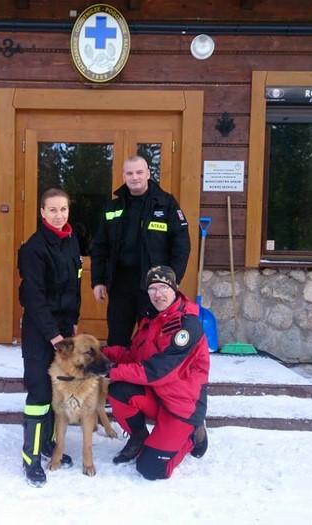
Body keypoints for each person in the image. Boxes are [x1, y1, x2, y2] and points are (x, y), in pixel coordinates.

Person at [104, 265, 210, 480]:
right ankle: (139, 436)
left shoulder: (187, 326)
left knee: (151, 469)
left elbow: (157, 372)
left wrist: (110, 370)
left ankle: (192, 436)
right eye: (152, 288)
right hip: (158, 397)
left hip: (182, 407)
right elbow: (134, 356)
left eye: (163, 287)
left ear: (175, 288)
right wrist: (99, 353)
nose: (157, 294)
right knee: (119, 390)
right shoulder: (151, 320)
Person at [17, 188, 82, 487]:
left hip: (64, 331)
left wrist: (73, 325)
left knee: (58, 392)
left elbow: (74, 290)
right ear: (42, 212)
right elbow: (33, 297)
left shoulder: (71, 241)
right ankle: (31, 457)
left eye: (63, 209)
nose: (59, 215)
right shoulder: (33, 248)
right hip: (39, 332)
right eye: (52, 210)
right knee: (40, 392)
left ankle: (48, 445)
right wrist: (53, 335)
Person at [91, 155, 190, 347]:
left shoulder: (166, 204)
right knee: (117, 337)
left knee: (153, 337)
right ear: (123, 176)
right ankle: (118, 375)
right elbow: (99, 246)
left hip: (154, 284)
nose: (134, 177)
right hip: (120, 283)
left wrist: (172, 280)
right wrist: (98, 280)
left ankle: (149, 376)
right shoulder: (113, 207)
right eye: (130, 173)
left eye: (139, 172)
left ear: (148, 174)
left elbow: (181, 244)